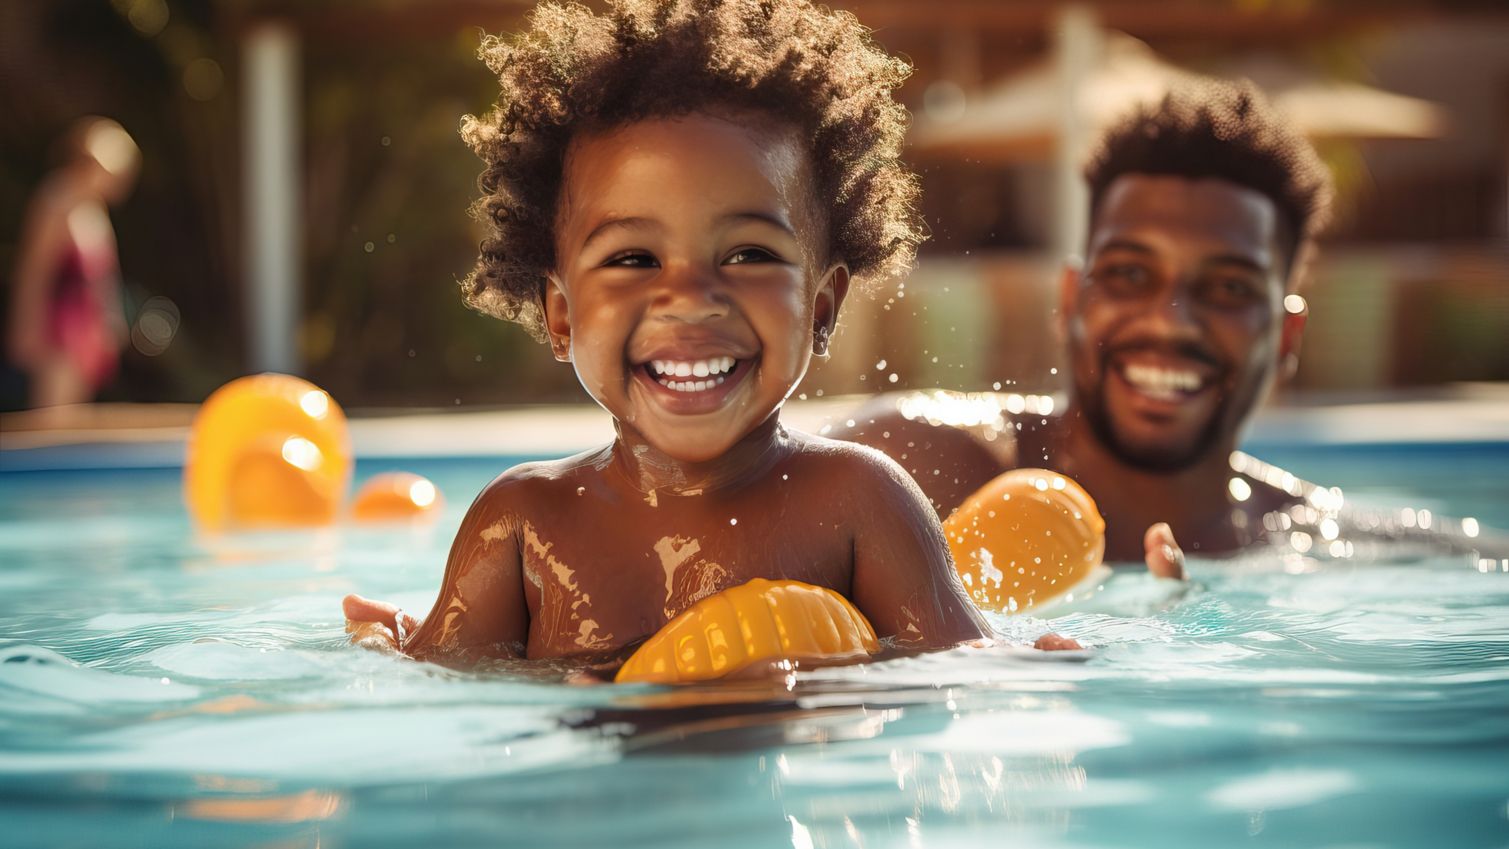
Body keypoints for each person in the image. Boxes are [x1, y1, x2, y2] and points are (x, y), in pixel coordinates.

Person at [343, 0, 1082, 666]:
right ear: (560, 315)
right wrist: (397, 647)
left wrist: (1029, 666)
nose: (690, 299)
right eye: (633, 257)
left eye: (748, 254)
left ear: (821, 306)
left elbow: (961, 671)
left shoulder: (859, 503)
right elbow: (446, 696)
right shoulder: (522, 525)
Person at [835, 81, 1333, 564]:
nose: (1170, 322)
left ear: (1287, 335)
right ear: (1071, 299)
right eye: (1130, 274)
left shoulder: (1317, 545)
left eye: (1229, 288)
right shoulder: (912, 469)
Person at [5, 117, 138, 411]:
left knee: (73, 417)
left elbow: (101, 276)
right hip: (59, 333)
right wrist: (25, 327)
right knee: (53, 420)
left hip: (85, 334)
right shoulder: (57, 199)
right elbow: (34, 269)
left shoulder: (93, 208)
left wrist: (109, 322)